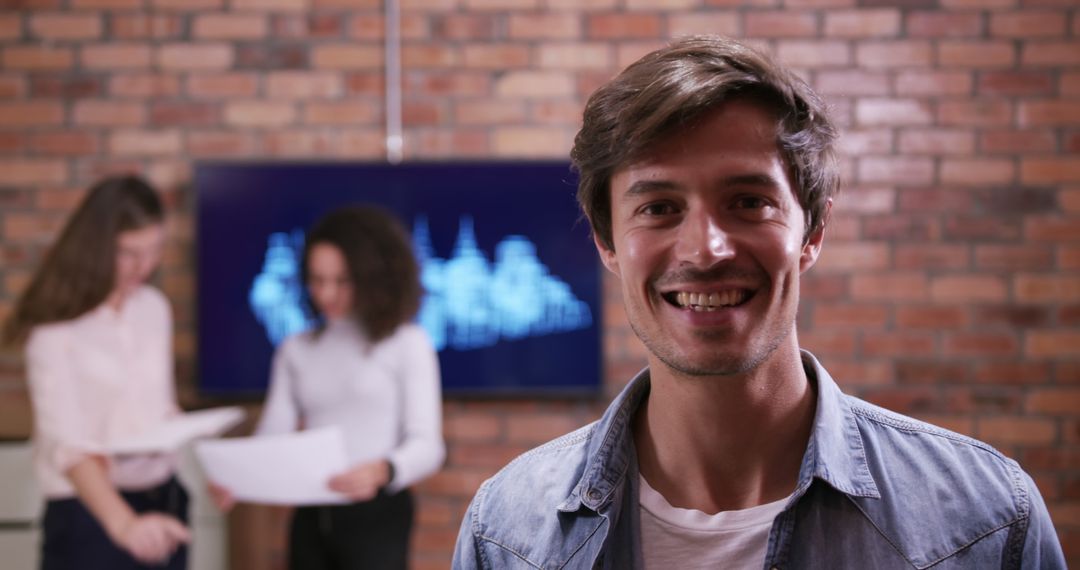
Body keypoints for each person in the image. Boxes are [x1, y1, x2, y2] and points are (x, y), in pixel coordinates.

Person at [452, 35, 1066, 569]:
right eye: (659, 208)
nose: (705, 249)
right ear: (608, 242)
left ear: (814, 231)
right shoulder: (507, 533)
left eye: (748, 201)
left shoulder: (986, 521)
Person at [212, 206, 445, 569]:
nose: (326, 293)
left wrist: (385, 470)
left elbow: (428, 445)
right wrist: (239, 477)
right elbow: (273, 434)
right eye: (317, 280)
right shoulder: (296, 349)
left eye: (341, 280)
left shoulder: (407, 343)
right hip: (310, 515)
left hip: (377, 514)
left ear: (372, 278)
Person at [2, 175, 190, 569]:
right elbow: (69, 446)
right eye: (129, 252)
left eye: (154, 250)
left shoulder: (153, 307)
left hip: (163, 500)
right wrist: (123, 525)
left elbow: (156, 404)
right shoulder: (55, 331)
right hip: (90, 514)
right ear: (97, 246)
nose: (145, 265)